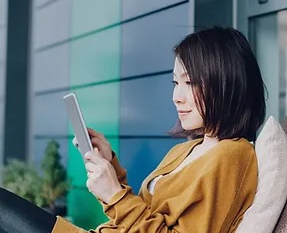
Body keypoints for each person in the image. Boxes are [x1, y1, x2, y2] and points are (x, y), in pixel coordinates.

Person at [0, 26, 266, 233]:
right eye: (176, 83)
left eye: (191, 82)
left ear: (227, 83)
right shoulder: (186, 150)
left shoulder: (233, 156)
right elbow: (142, 216)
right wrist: (111, 168)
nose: (177, 96)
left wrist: (114, 195)